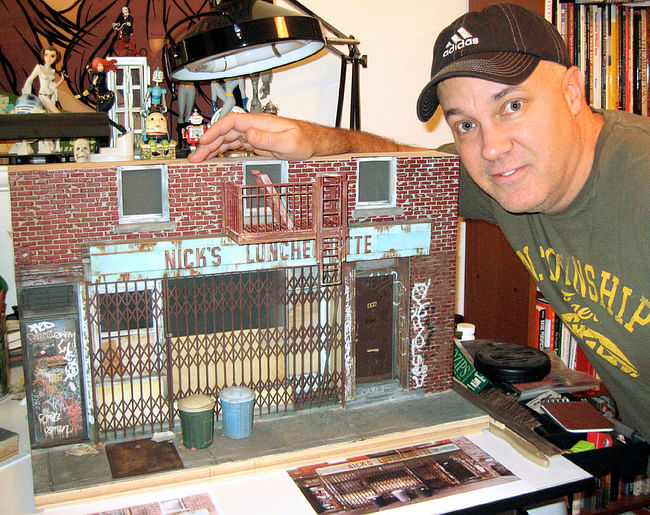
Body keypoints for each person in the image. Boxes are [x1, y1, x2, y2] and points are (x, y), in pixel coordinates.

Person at [189, 4, 649, 448]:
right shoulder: (509, 177)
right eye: (465, 124)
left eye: (512, 105)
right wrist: (315, 141)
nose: (491, 148)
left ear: (573, 92)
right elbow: (411, 170)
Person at [76, 57, 126, 134]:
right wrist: (88, 69)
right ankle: (116, 128)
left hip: (108, 98)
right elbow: (92, 73)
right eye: (99, 66)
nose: (101, 67)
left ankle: (118, 127)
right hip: (100, 99)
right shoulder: (95, 75)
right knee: (99, 116)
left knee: (102, 115)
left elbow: (91, 88)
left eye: (102, 65)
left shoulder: (101, 76)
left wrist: (81, 95)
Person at [21, 46, 65, 113]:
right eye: (46, 55)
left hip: (51, 95)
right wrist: (26, 94)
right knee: (57, 113)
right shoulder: (39, 68)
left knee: (51, 115)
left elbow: (53, 86)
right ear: (43, 55)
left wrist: (62, 79)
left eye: (52, 56)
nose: (48, 58)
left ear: (56, 58)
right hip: (43, 96)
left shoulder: (52, 71)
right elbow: (30, 79)